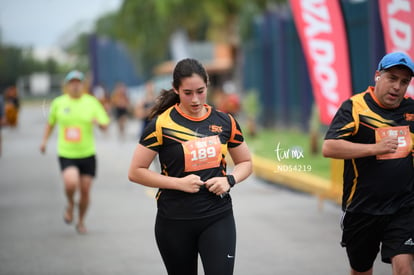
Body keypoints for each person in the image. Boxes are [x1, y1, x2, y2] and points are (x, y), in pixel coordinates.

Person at [128, 58, 252, 275]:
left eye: (200, 91)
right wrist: (178, 183)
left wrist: (229, 180)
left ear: (207, 85)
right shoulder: (161, 125)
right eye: (187, 93)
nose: (195, 99)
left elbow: (245, 162)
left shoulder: (225, 122)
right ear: (176, 89)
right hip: (174, 221)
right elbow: (136, 172)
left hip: (217, 216)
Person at [322, 52, 414, 275]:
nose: (397, 87)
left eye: (404, 82)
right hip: (363, 208)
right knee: (361, 270)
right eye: (392, 78)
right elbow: (329, 147)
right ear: (377, 76)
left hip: (404, 206)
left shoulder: (411, 110)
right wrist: (374, 148)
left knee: (404, 265)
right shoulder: (355, 107)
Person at [40, 70, 110, 234]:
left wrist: (98, 123)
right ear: (67, 86)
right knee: (71, 183)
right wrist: (44, 141)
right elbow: (50, 124)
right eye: (72, 82)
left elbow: (105, 124)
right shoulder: (59, 102)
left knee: (85, 190)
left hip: (87, 153)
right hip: (67, 152)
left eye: (78, 82)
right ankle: (71, 203)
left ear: (83, 85)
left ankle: (81, 221)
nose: (75, 85)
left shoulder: (92, 102)